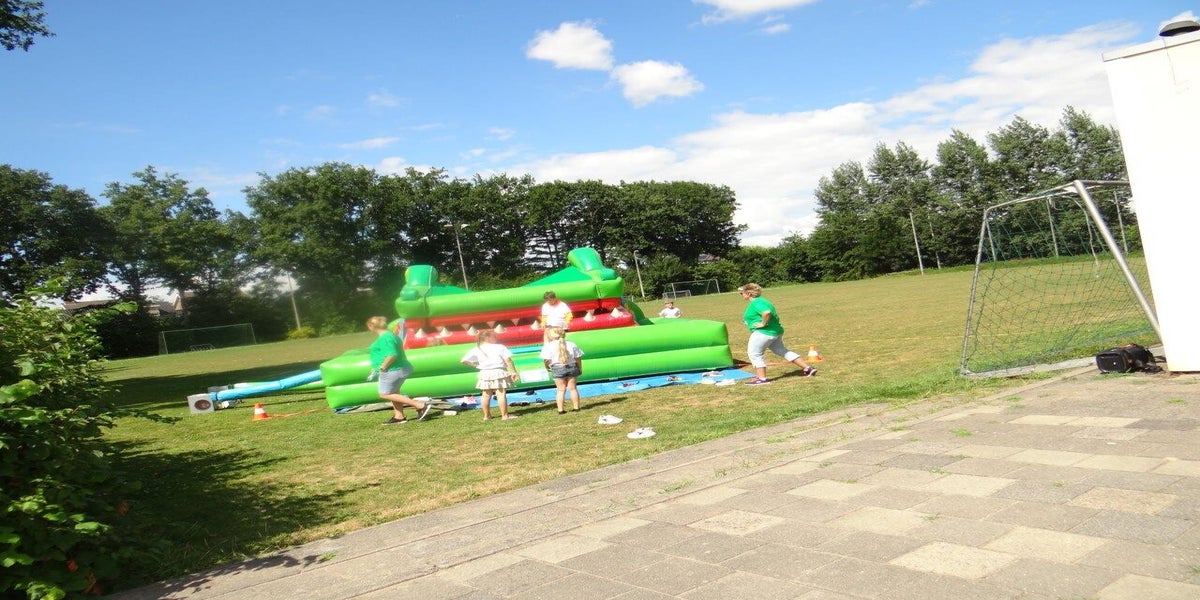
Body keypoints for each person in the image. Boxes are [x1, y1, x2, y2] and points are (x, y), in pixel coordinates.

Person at [737, 283, 816, 385]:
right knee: (782, 351)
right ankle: (808, 368)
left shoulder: (756, 302)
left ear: (748, 294)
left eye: (741, 293)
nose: (741, 295)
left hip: (763, 333)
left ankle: (762, 379)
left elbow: (766, 312)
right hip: (774, 332)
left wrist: (762, 324)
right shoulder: (762, 301)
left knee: (755, 354)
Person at [367, 316, 433, 424]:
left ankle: (420, 405)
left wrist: (383, 367)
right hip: (396, 368)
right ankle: (399, 416)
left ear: (371, 326)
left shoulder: (386, 337)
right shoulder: (390, 336)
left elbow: (392, 354)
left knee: (384, 394)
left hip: (392, 369)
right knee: (394, 392)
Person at [460, 328, 520, 420]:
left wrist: (476, 365)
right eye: (494, 337)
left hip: (485, 373)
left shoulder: (477, 349)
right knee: (501, 394)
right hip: (499, 372)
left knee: (486, 395)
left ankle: (486, 416)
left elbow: (463, 360)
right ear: (488, 338)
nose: (496, 338)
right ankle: (505, 416)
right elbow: (508, 360)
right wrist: (513, 372)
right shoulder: (500, 347)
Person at [540, 326, 584, 414]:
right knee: (573, 388)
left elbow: (546, 360)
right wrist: (579, 367)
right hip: (572, 367)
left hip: (557, 368)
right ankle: (576, 408)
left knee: (560, 390)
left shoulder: (548, 346)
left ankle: (560, 410)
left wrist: (547, 367)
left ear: (551, 336)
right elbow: (578, 358)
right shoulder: (572, 344)